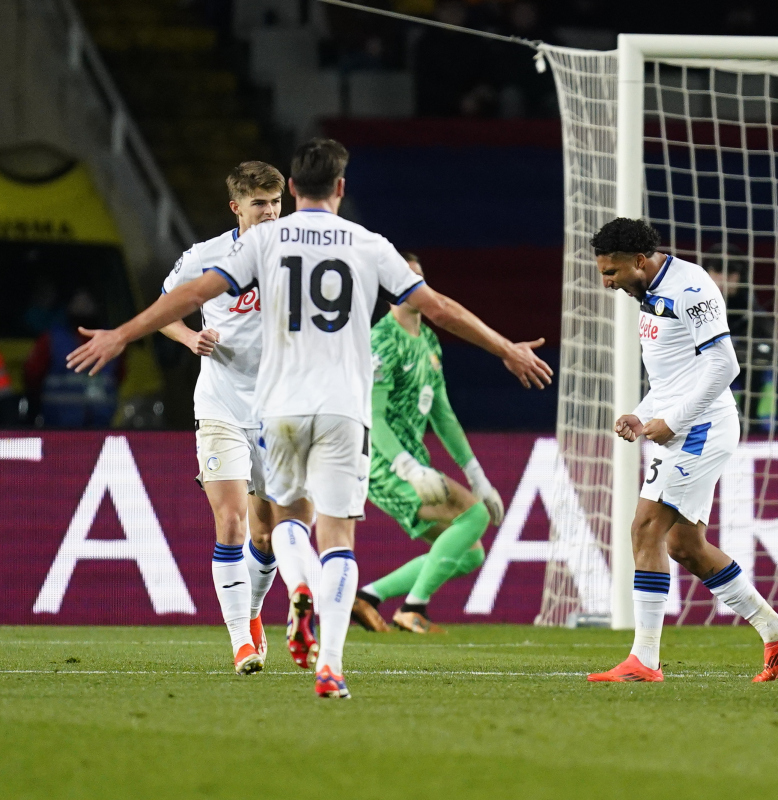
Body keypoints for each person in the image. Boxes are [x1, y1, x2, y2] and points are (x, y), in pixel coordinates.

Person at [66, 138, 553, 699]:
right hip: (343, 406)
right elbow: (436, 307)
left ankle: (297, 585)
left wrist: (122, 334)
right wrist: (505, 349)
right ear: (342, 188)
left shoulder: (267, 240)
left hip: (283, 406)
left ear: (292, 191)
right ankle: (331, 664)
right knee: (336, 539)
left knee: (287, 523)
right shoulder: (369, 244)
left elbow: (194, 293)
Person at [587, 218, 778, 683]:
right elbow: (674, 376)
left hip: (703, 427)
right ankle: (777, 631)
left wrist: (671, 421)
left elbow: (725, 365)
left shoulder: (692, 289)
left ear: (639, 262)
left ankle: (644, 659)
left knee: (645, 528)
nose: (607, 283)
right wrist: (641, 412)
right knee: (684, 545)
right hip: (685, 424)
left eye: (611, 273)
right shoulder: (647, 294)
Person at [157, 160, 308, 675]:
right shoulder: (207, 257)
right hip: (221, 404)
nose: (269, 213)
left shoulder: (299, 253)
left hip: (279, 411)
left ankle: (253, 612)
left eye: (275, 203)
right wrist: (188, 337)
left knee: (266, 536)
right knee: (231, 522)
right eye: (259, 204)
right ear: (236, 207)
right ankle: (241, 642)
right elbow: (165, 308)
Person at [351, 253, 505, 634]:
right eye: (406, 281)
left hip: (412, 462)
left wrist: (477, 476)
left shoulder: (429, 341)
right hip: (384, 465)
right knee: (476, 516)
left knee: (470, 553)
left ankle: (368, 597)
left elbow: (444, 416)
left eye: (418, 280)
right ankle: (413, 608)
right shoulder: (382, 340)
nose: (414, 288)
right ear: (389, 292)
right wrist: (407, 466)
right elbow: (375, 415)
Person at [700, 244, 775, 429]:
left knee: (757, 362)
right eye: (718, 269)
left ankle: (752, 423)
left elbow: (767, 347)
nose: (724, 278)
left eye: (732, 272)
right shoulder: (688, 305)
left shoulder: (752, 311)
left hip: (754, 421)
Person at [24, 289, 123, 427]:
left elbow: (118, 376)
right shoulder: (51, 340)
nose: (83, 306)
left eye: (87, 302)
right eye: (78, 302)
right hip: (58, 426)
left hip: (102, 425)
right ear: (69, 306)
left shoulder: (113, 340)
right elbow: (33, 376)